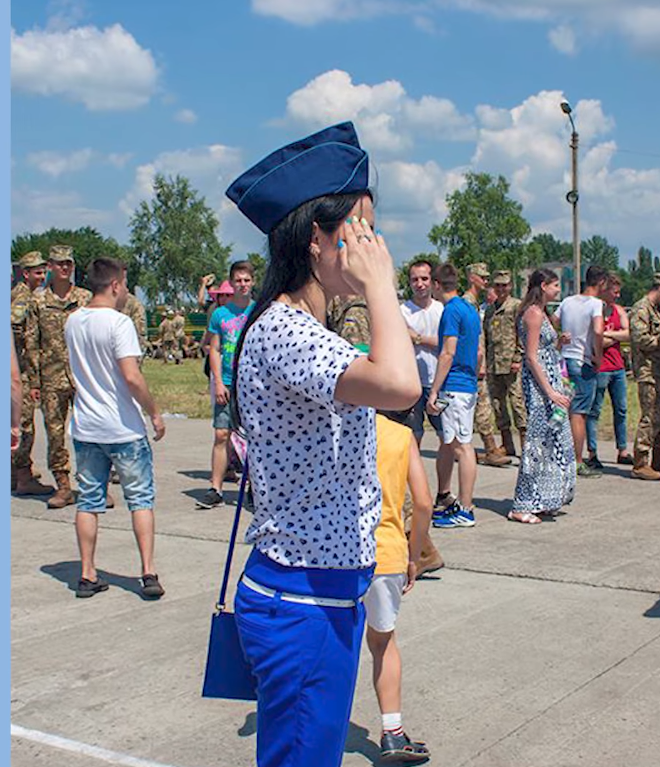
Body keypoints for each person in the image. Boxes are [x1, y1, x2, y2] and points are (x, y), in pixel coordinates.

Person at [226, 121, 420, 767]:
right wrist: (382, 284)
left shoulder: (307, 328)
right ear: (317, 238)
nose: (374, 246)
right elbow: (400, 384)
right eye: (360, 230)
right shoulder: (286, 330)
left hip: (323, 592)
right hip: (302, 601)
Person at [64, 258, 168, 599]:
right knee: (140, 499)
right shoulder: (120, 323)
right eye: (124, 284)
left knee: (89, 502)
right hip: (122, 427)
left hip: (86, 426)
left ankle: (87, 573)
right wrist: (153, 411)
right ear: (115, 285)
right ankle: (148, 571)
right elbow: (131, 376)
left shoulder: (73, 321)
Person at [328, 294, 446, 578]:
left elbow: (353, 362)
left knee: (378, 477)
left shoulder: (354, 310)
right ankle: (424, 548)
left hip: (363, 405)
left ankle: (421, 549)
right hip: (377, 400)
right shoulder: (367, 302)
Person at [363, 412, 432, 762]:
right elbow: (423, 503)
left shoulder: (331, 423)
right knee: (383, 642)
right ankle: (393, 732)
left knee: (333, 643)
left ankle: (317, 725)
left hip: (334, 551)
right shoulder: (401, 435)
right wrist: (414, 555)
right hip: (386, 552)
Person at [24, 245, 94, 509]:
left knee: (89, 431)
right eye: (59, 263)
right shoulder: (38, 302)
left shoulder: (85, 298)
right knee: (55, 434)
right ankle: (63, 486)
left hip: (83, 378)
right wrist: (33, 381)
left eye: (69, 263)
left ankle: (91, 484)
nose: (65, 267)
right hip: (52, 378)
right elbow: (31, 342)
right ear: (51, 267)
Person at [509, 269, 576, 523]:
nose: (558, 290)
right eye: (555, 285)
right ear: (544, 285)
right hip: (540, 388)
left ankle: (545, 498)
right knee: (537, 442)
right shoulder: (533, 313)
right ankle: (522, 503)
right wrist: (549, 392)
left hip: (550, 382)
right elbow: (531, 356)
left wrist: (559, 342)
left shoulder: (541, 312)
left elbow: (544, 352)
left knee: (553, 440)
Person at [425, 263, 483, 529]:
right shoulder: (469, 309)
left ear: (437, 284)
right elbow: (479, 351)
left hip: (455, 385)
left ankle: (466, 508)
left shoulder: (450, 311)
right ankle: (449, 499)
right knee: (449, 442)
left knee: (462, 445)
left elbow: (447, 352)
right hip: (466, 383)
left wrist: (434, 389)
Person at [196, 262, 256, 509]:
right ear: (230, 284)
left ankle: (255, 488)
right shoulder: (221, 314)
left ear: (253, 282)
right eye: (238, 281)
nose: (242, 285)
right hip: (228, 381)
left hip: (252, 385)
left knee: (255, 437)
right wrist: (218, 382)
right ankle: (216, 487)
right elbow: (214, 348)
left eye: (246, 280)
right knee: (222, 434)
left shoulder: (259, 311)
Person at [12, 250, 55, 495]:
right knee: (25, 424)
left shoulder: (27, 295)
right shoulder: (23, 297)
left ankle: (14, 473)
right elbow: (15, 327)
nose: (42, 276)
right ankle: (23, 477)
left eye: (43, 271)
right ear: (25, 274)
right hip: (22, 370)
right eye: (37, 272)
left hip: (21, 368)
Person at [628, 274, 660, 480]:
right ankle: (640, 461)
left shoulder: (656, 311)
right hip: (648, 372)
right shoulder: (641, 309)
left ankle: (659, 456)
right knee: (650, 416)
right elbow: (640, 339)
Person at [558, 266, 607, 477]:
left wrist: (560, 340)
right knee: (579, 413)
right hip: (582, 361)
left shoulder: (567, 301)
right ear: (601, 282)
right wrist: (598, 355)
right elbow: (597, 330)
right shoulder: (596, 304)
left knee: (563, 410)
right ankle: (577, 461)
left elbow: (553, 320)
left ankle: (561, 456)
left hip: (564, 361)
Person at [463, 262, 510, 468]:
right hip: (475, 363)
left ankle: (483, 446)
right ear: (472, 277)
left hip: (479, 361)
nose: (486, 281)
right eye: (482, 277)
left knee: (481, 406)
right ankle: (490, 448)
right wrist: (477, 362)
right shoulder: (467, 303)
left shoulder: (474, 303)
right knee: (482, 406)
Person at [398, 259, 446, 447]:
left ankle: (445, 477)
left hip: (439, 382)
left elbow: (447, 346)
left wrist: (417, 338)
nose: (420, 284)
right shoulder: (402, 311)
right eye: (414, 279)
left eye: (424, 278)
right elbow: (399, 339)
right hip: (413, 383)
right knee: (412, 437)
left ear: (433, 281)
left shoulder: (442, 310)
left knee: (447, 436)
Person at [589, 273, 633, 467]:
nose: (617, 296)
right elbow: (594, 339)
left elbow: (628, 333)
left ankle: (622, 450)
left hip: (618, 368)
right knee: (594, 410)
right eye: (614, 292)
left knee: (621, 410)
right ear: (604, 290)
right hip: (600, 368)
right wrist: (612, 337)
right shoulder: (595, 310)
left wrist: (607, 334)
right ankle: (592, 452)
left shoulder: (619, 310)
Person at [484, 270, 527, 458]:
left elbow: (523, 333)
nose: (501, 289)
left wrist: (518, 358)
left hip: (511, 364)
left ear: (510, 286)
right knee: (498, 405)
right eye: (498, 285)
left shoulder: (516, 306)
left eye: (504, 285)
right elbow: (486, 337)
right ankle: (507, 444)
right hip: (494, 364)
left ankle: (526, 445)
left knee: (518, 403)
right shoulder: (490, 309)